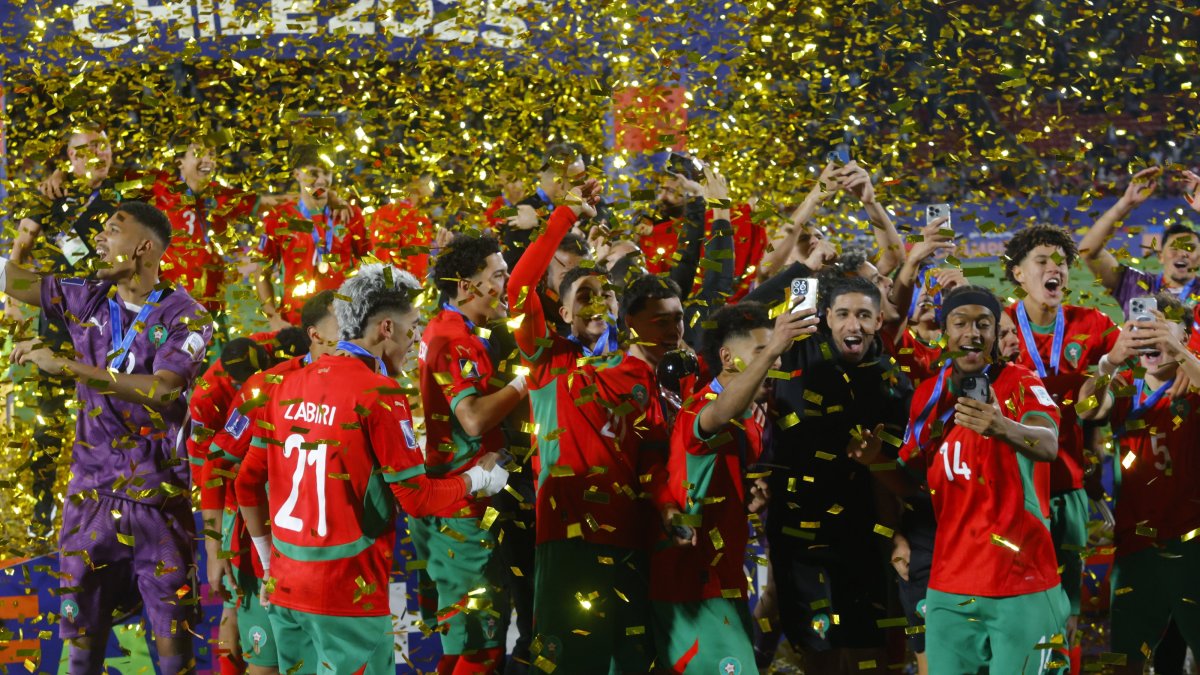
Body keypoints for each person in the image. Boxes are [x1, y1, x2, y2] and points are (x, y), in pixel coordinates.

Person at [232, 264, 509, 674]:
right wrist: (479, 479)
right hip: (347, 597)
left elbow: (246, 483)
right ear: (385, 328)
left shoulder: (286, 385)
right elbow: (417, 499)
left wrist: (270, 564)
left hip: (287, 589)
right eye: (412, 327)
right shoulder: (379, 393)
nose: (417, 340)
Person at [6, 201, 213, 674]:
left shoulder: (190, 317)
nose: (98, 239)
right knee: (82, 644)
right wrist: (27, 233)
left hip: (157, 500)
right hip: (92, 495)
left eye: (111, 230)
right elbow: (13, 280)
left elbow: (162, 390)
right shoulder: (89, 295)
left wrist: (69, 367)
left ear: (142, 247)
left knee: (172, 652)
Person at [506, 188, 685, 674]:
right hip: (565, 536)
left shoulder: (638, 370)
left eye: (605, 293)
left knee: (629, 660)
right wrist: (564, 217)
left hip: (630, 534)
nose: (596, 301)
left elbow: (651, 452)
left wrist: (666, 505)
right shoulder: (548, 360)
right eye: (582, 295)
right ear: (562, 313)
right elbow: (519, 289)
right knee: (569, 661)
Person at [851, 285, 1068, 674]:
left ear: (995, 333)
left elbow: (1049, 444)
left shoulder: (1020, 382)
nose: (972, 333)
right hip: (950, 583)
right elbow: (913, 485)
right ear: (945, 333)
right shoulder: (927, 398)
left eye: (984, 324)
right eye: (961, 323)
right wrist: (875, 461)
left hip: (1020, 581)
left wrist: (1004, 427)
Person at [749, 274, 913, 674]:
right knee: (816, 646)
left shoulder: (894, 382)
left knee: (863, 644)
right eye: (842, 314)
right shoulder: (796, 353)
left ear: (878, 322)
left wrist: (895, 534)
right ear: (826, 317)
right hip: (797, 529)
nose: (852, 325)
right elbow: (748, 310)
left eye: (863, 315)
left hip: (862, 529)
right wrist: (803, 271)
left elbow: (897, 471)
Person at [650, 301, 818, 674]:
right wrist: (776, 345)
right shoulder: (700, 408)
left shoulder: (757, 421)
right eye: (761, 352)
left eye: (773, 353)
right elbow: (720, 413)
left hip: (723, 579)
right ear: (726, 357)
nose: (774, 363)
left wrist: (750, 490)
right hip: (690, 583)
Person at [198, 294, 337, 675]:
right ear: (315, 334)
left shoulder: (369, 385)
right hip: (266, 557)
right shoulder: (265, 387)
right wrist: (215, 549)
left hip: (333, 562)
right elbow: (217, 464)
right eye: (343, 324)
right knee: (265, 664)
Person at [1003, 223, 1119, 653]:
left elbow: (1105, 407)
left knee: (1067, 600)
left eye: (1062, 262)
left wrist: (1107, 377)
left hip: (1066, 484)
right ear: (1018, 273)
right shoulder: (997, 323)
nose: (1056, 270)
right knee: (1015, 594)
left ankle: (1062, 665)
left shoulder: (1094, 323)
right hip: (1012, 488)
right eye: (1043, 261)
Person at [415, 235, 528, 673]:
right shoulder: (454, 339)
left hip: (450, 498)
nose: (507, 284)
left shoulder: (444, 326)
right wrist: (523, 382)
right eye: (498, 275)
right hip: (464, 506)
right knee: (481, 644)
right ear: (466, 286)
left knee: (461, 638)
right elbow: (474, 419)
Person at [9, 121, 123, 533]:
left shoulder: (130, 193)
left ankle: (113, 510)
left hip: (114, 329)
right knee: (48, 425)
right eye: (84, 149)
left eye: (102, 144)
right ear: (68, 158)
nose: (96, 154)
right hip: (58, 327)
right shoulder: (46, 200)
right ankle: (42, 514)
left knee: (111, 419)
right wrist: (16, 315)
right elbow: (18, 255)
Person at [1077, 292, 1200, 673]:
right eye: (1142, 328)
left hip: (1192, 542)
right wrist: (1110, 361)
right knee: (1125, 657)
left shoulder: (1192, 379)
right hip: (1136, 543)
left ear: (1182, 334)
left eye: (1159, 327)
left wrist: (1180, 353)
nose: (1150, 337)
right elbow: (1087, 408)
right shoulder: (1126, 383)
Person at [254, 144, 371, 329]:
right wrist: (273, 317)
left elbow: (370, 262)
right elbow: (262, 272)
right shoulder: (278, 218)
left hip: (344, 323)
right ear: (297, 174)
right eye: (314, 173)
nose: (322, 180)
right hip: (296, 323)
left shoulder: (349, 215)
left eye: (327, 173)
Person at [1080, 167, 1200, 316]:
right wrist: (1125, 204)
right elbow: (1088, 252)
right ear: (1160, 256)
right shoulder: (1135, 285)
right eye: (1175, 248)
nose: (1182, 254)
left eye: (1189, 249)